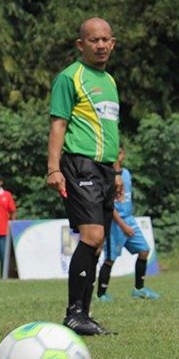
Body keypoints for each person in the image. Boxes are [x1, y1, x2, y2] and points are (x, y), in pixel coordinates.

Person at [46, 17, 123, 337]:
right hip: (80, 165)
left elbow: (112, 129)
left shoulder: (110, 81)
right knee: (91, 237)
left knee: (97, 242)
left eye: (106, 40)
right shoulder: (70, 78)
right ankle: (73, 314)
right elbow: (58, 124)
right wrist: (53, 167)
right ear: (81, 44)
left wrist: (117, 172)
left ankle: (84, 314)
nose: (101, 45)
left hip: (106, 169)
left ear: (113, 43)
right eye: (94, 40)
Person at [96, 143, 159, 301]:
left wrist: (128, 221)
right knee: (110, 258)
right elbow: (109, 205)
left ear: (123, 155)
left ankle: (139, 288)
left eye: (120, 153)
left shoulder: (127, 174)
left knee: (144, 250)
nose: (117, 156)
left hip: (129, 219)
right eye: (114, 153)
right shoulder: (107, 175)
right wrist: (123, 226)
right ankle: (101, 294)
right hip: (116, 223)